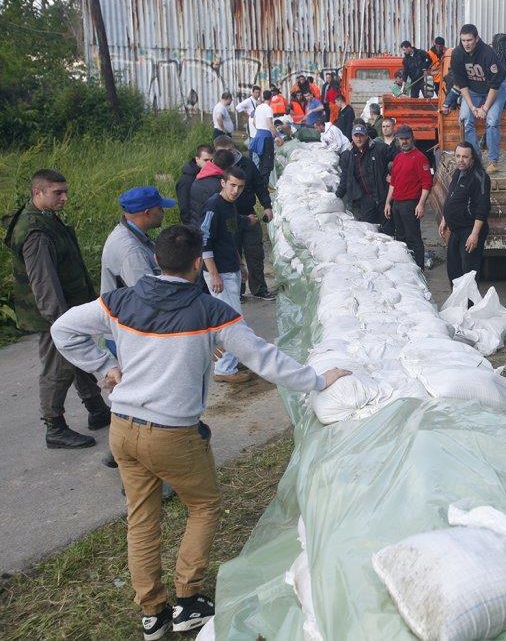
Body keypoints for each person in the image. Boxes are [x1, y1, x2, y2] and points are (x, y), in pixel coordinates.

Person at [49, 224, 350, 640]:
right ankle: (188, 600)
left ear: (156, 260)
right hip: (172, 433)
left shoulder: (120, 301)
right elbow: (264, 359)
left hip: (123, 428)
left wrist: (104, 367)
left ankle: (153, 613)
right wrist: (319, 380)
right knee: (203, 506)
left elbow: (62, 329)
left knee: (141, 517)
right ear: (196, 263)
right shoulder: (212, 312)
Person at [2, 169, 112, 449]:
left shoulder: (45, 217)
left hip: (68, 310)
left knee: (79, 358)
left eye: (65, 191)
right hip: (55, 315)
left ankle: (97, 409)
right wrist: (62, 322)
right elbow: (44, 283)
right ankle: (55, 427)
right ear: (38, 193)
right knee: (58, 368)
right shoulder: (36, 231)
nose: (64, 197)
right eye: (57, 193)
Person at [200, 166, 252, 383]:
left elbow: (230, 240)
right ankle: (224, 369)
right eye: (232, 185)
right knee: (231, 321)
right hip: (219, 273)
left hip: (231, 269)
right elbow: (205, 241)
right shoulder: (213, 206)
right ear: (223, 183)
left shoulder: (231, 205)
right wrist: (214, 274)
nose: (236, 190)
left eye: (240, 187)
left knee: (232, 319)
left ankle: (230, 359)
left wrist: (240, 265)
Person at [213, 135, 275, 300]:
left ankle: (259, 289)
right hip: (228, 219)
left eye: (229, 150)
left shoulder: (246, 164)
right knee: (233, 256)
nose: (226, 154)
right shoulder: (217, 169)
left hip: (249, 215)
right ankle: (238, 291)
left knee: (255, 254)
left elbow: (259, 186)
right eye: (222, 152)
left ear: (233, 148)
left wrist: (267, 206)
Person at [452, 23, 506, 175]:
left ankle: (492, 160)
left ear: (476, 38)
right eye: (463, 40)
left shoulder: (487, 53)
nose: (466, 44)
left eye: (469, 40)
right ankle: (475, 158)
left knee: (491, 120)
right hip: (473, 90)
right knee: (466, 119)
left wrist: (484, 108)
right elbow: (462, 84)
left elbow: (495, 84)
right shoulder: (457, 54)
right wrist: (472, 107)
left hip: (495, 88)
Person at [100, 186, 171, 295]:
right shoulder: (131, 252)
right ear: (147, 213)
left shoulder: (129, 231)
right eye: (159, 208)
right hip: (128, 311)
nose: (163, 212)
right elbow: (149, 295)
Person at [439, 141, 491, 283]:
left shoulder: (480, 177)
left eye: (465, 157)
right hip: (455, 230)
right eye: (458, 156)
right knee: (453, 271)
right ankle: (457, 304)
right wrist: (445, 219)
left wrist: (475, 234)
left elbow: (483, 207)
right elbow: (451, 196)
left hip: (469, 231)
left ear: (472, 158)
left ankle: (470, 305)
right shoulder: (457, 172)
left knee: (469, 274)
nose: (460, 160)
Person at [384, 125, 432, 267]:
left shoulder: (420, 158)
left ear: (412, 139)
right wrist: (388, 203)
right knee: (400, 238)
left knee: (413, 238)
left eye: (407, 139)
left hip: (410, 204)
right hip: (397, 204)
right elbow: (393, 183)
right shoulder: (398, 158)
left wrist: (421, 204)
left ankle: (418, 268)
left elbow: (426, 184)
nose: (404, 142)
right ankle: (405, 268)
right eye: (401, 139)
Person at [338, 123, 391, 225]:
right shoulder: (347, 155)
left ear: (366, 136)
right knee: (370, 228)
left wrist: (393, 174)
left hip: (382, 196)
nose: (359, 139)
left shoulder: (379, 149)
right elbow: (344, 177)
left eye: (361, 136)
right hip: (365, 200)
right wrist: (337, 195)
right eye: (356, 136)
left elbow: (396, 158)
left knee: (387, 228)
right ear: (352, 137)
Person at [188, 149, 235, 228]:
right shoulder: (221, 185)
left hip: (196, 224)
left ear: (213, 161)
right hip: (211, 228)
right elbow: (226, 212)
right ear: (230, 167)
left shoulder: (200, 175)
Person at [176, 145, 213, 226]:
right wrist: (190, 227)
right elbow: (184, 207)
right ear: (197, 159)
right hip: (194, 226)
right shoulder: (187, 179)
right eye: (206, 160)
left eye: (211, 160)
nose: (209, 163)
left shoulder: (209, 174)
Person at [249, 90, 279, 185]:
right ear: (271, 98)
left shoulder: (258, 108)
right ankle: (264, 185)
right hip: (266, 138)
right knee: (267, 163)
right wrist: (277, 136)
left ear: (262, 97)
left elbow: (254, 122)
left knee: (261, 162)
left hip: (258, 136)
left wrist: (260, 129)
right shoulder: (268, 109)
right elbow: (270, 125)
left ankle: (259, 183)